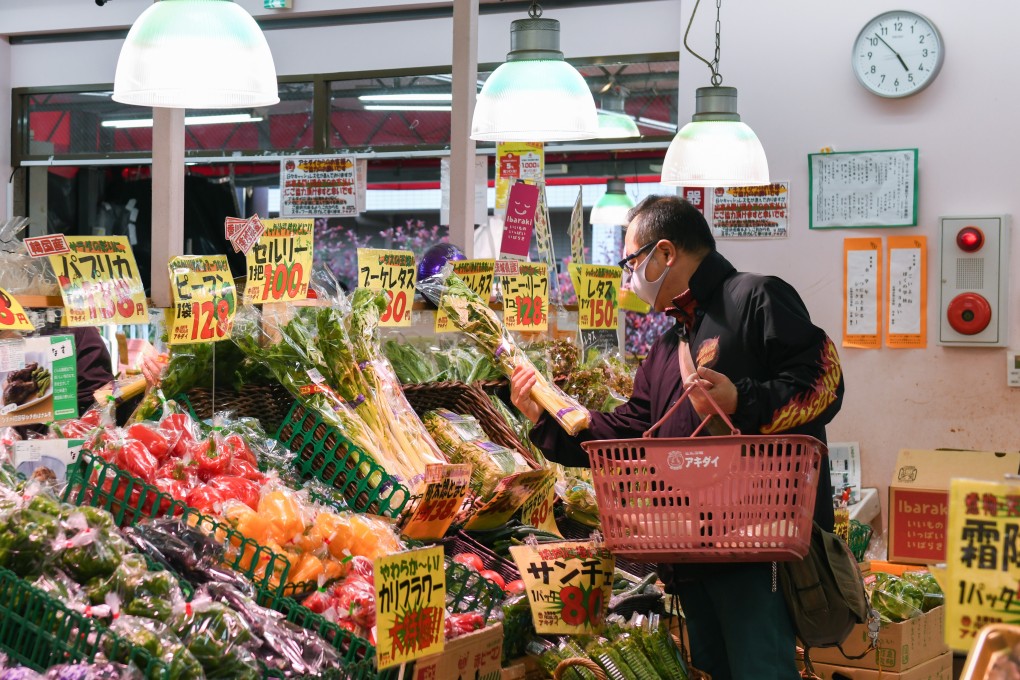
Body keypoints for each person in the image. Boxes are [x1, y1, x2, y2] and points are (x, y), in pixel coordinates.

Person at [511, 195, 844, 680]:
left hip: (757, 553)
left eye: (631, 262)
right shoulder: (668, 346)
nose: (628, 278)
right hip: (688, 553)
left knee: (761, 671)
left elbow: (824, 383)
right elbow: (631, 431)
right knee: (710, 670)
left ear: (665, 253)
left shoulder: (756, 298)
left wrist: (742, 399)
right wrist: (545, 417)